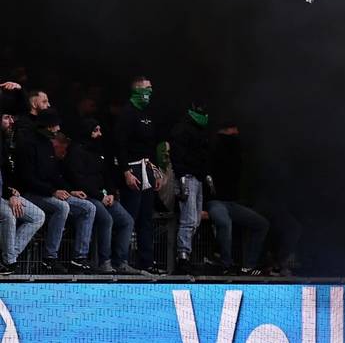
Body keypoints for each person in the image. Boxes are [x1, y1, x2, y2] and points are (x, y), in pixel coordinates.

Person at [16, 110, 95, 272]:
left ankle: (79, 258)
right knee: (62, 206)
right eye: (55, 126)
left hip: (50, 192)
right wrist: (53, 191)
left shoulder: (47, 144)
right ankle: (49, 257)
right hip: (31, 194)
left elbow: (54, 174)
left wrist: (69, 191)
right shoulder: (27, 144)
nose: (58, 129)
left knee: (88, 207)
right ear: (47, 126)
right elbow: (28, 179)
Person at [63, 118, 136, 275]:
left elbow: (107, 174)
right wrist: (99, 195)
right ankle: (105, 262)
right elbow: (78, 178)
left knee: (127, 221)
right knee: (106, 219)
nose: (99, 134)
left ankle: (121, 262)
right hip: (86, 196)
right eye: (96, 130)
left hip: (104, 196)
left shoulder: (99, 151)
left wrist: (110, 192)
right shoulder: (75, 151)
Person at [114, 75, 163, 274]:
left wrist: (156, 172)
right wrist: (126, 171)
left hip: (147, 169)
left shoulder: (149, 114)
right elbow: (120, 145)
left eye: (151, 89)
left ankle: (146, 261)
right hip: (133, 170)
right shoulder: (127, 113)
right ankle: (121, 260)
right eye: (146, 89)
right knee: (130, 217)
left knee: (146, 218)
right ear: (136, 91)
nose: (149, 93)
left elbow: (152, 146)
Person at [207, 122, 269, 275]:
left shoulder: (237, 154)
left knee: (262, 224)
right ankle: (225, 265)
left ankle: (248, 266)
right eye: (232, 130)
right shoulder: (212, 147)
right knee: (225, 223)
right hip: (215, 202)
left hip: (232, 203)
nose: (236, 133)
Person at [170, 101, 212, 272]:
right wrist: (181, 178)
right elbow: (177, 155)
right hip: (187, 177)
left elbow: (203, 157)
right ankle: (182, 258)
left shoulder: (200, 132)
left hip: (198, 178)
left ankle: (186, 254)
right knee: (188, 220)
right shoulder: (181, 130)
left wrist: (206, 175)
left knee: (195, 220)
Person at [0, 112, 44, 272]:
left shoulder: (5, 142)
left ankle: (8, 258)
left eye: (12, 117)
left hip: (6, 193)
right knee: (8, 215)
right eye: (7, 118)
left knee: (38, 216)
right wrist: (10, 195)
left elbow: (6, 172)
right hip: (4, 196)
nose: (11, 122)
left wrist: (13, 191)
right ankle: (9, 260)